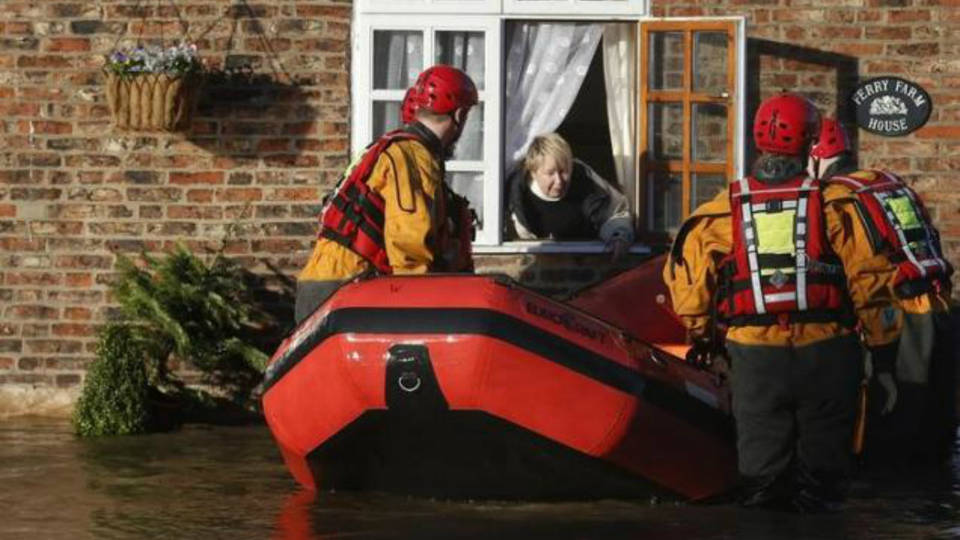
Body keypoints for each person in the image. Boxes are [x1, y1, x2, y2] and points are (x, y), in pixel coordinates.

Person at [663, 94, 902, 512]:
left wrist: (703, 338)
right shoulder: (836, 205)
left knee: (761, 479)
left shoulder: (721, 211)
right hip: (827, 352)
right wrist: (884, 356)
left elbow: (689, 284)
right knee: (824, 480)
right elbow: (871, 280)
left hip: (755, 359)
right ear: (811, 141)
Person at [812, 118, 955, 461]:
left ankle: (893, 507)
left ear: (813, 157)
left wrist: (880, 358)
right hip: (936, 308)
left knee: (892, 428)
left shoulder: (836, 200)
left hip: (896, 322)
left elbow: (866, 279)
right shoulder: (887, 183)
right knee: (933, 430)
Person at [294, 65, 478, 323]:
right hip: (343, 288)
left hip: (328, 281)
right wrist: (425, 308)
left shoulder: (392, 147)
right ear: (460, 113)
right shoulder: (412, 156)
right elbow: (408, 243)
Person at [507, 133, 634, 259]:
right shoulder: (518, 197)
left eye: (564, 171)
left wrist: (619, 235)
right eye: (550, 173)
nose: (559, 181)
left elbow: (616, 212)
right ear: (533, 172)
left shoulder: (586, 180)